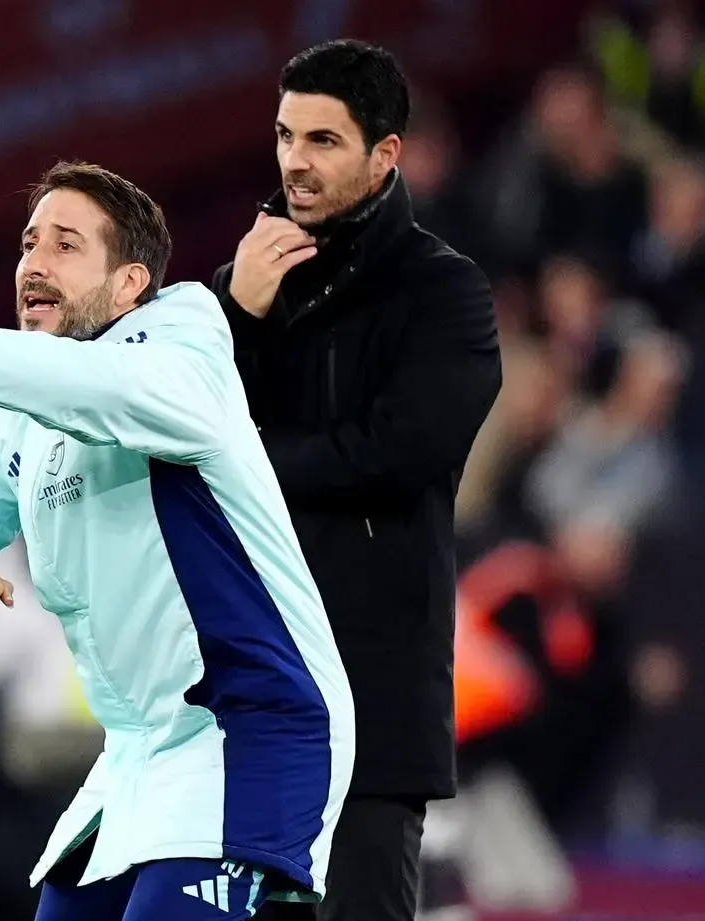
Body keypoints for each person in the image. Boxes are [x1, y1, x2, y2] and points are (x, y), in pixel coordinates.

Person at [0, 161, 355, 921]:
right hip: (133, 756)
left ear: (130, 285)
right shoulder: (26, 414)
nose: (34, 262)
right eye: (30, 243)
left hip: (249, 731)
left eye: (66, 245)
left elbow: (93, 386)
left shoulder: (183, 350)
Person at [210, 41, 502, 921]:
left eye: (323, 140)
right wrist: (238, 317)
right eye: (284, 134)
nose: (295, 159)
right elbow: (177, 438)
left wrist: (251, 459)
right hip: (251, 680)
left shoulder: (444, 293)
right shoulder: (242, 289)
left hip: (373, 684)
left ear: (385, 155)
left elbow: (400, 451)